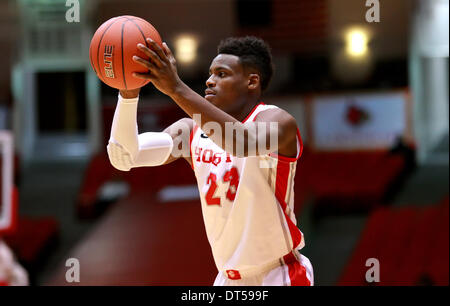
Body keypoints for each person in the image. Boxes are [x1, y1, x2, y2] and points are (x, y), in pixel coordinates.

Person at [107, 36, 313, 286]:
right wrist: (127, 94)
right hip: (227, 279)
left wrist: (176, 88)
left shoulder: (277, 121)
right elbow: (126, 156)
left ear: (252, 81)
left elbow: (241, 143)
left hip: (279, 274)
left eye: (221, 74)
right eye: (210, 73)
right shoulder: (192, 130)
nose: (209, 80)